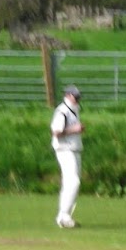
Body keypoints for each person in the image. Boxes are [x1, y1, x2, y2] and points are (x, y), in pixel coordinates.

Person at [50, 84, 83, 228]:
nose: (77, 99)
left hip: (74, 149)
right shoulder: (62, 111)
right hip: (64, 149)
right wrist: (74, 129)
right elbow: (56, 132)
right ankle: (63, 215)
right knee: (73, 182)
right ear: (68, 96)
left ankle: (65, 216)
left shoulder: (74, 109)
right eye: (75, 96)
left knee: (70, 184)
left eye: (78, 97)